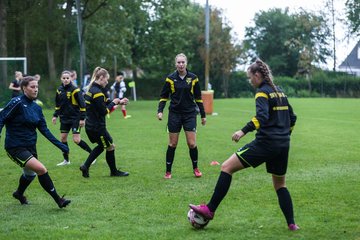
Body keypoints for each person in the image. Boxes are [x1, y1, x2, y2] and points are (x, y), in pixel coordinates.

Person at [189, 59, 299, 231]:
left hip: (265, 143)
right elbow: (292, 118)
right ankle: (292, 224)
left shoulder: (262, 93)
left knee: (226, 167)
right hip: (283, 145)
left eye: (250, 77)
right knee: (280, 185)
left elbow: (261, 117)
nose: (250, 81)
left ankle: (210, 209)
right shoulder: (280, 92)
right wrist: (285, 135)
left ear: (257, 75)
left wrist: (242, 131)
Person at [0, 76, 71, 208]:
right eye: (32, 87)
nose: (35, 89)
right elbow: (2, 117)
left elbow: (44, 130)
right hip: (15, 147)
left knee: (30, 174)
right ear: (24, 88)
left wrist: (60, 145)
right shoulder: (17, 102)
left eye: (37, 86)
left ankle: (19, 193)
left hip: (30, 146)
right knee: (41, 169)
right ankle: (59, 200)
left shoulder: (37, 108)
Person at [157, 53, 206, 179]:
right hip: (174, 114)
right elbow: (163, 96)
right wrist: (160, 110)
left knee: (192, 144)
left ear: (186, 63)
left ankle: (195, 168)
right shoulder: (170, 78)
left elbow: (198, 98)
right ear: (175, 64)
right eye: (178, 62)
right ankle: (168, 171)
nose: (181, 64)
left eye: (183, 62)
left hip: (190, 114)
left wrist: (203, 115)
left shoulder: (193, 78)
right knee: (172, 144)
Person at [79, 66, 130, 178]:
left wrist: (119, 101)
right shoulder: (97, 92)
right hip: (98, 127)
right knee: (110, 146)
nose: (107, 82)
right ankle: (114, 172)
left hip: (91, 126)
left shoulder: (91, 90)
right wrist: (114, 103)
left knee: (103, 146)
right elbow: (104, 111)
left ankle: (85, 166)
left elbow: (104, 102)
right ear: (101, 77)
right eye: (106, 79)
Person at [52, 70, 93, 166]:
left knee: (76, 140)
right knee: (63, 139)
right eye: (64, 78)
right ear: (61, 79)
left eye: (67, 78)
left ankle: (92, 155)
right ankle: (66, 160)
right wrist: (55, 115)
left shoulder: (75, 90)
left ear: (71, 78)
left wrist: (82, 118)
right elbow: (58, 104)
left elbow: (82, 105)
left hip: (75, 118)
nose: (66, 80)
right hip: (64, 118)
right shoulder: (59, 90)